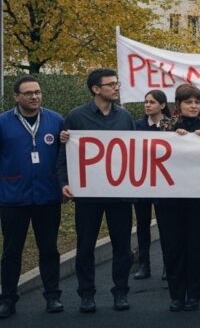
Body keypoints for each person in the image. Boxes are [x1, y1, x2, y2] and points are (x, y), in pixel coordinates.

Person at [58, 68, 136, 313]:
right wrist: (64, 182)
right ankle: (86, 294)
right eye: (111, 84)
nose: (116, 87)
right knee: (85, 246)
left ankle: (121, 292)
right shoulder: (76, 117)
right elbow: (64, 155)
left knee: (122, 246)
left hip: (120, 194)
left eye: (117, 83)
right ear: (96, 89)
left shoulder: (125, 117)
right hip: (88, 195)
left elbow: (136, 152)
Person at [0, 76, 65, 317]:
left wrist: (63, 185)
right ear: (16, 97)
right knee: (11, 251)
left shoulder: (56, 120)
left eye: (37, 92)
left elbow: (64, 157)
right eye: (28, 93)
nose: (34, 96)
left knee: (49, 249)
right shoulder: (3, 122)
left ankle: (53, 296)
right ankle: (8, 299)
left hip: (47, 196)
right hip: (12, 197)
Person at [157, 83, 200, 311]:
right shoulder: (166, 127)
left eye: (197, 102)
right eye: (188, 102)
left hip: (199, 200)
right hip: (170, 200)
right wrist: (174, 137)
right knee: (173, 248)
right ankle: (177, 295)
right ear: (178, 105)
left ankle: (194, 295)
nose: (193, 106)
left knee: (196, 248)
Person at [132, 89, 171, 281]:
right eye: (146, 101)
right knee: (142, 224)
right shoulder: (136, 125)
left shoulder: (171, 126)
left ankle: (168, 265)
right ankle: (144, 264)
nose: (147, 105)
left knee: (166, 226)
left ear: (162, 105)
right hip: (142, 182)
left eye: (152, 102)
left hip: (164, 184)